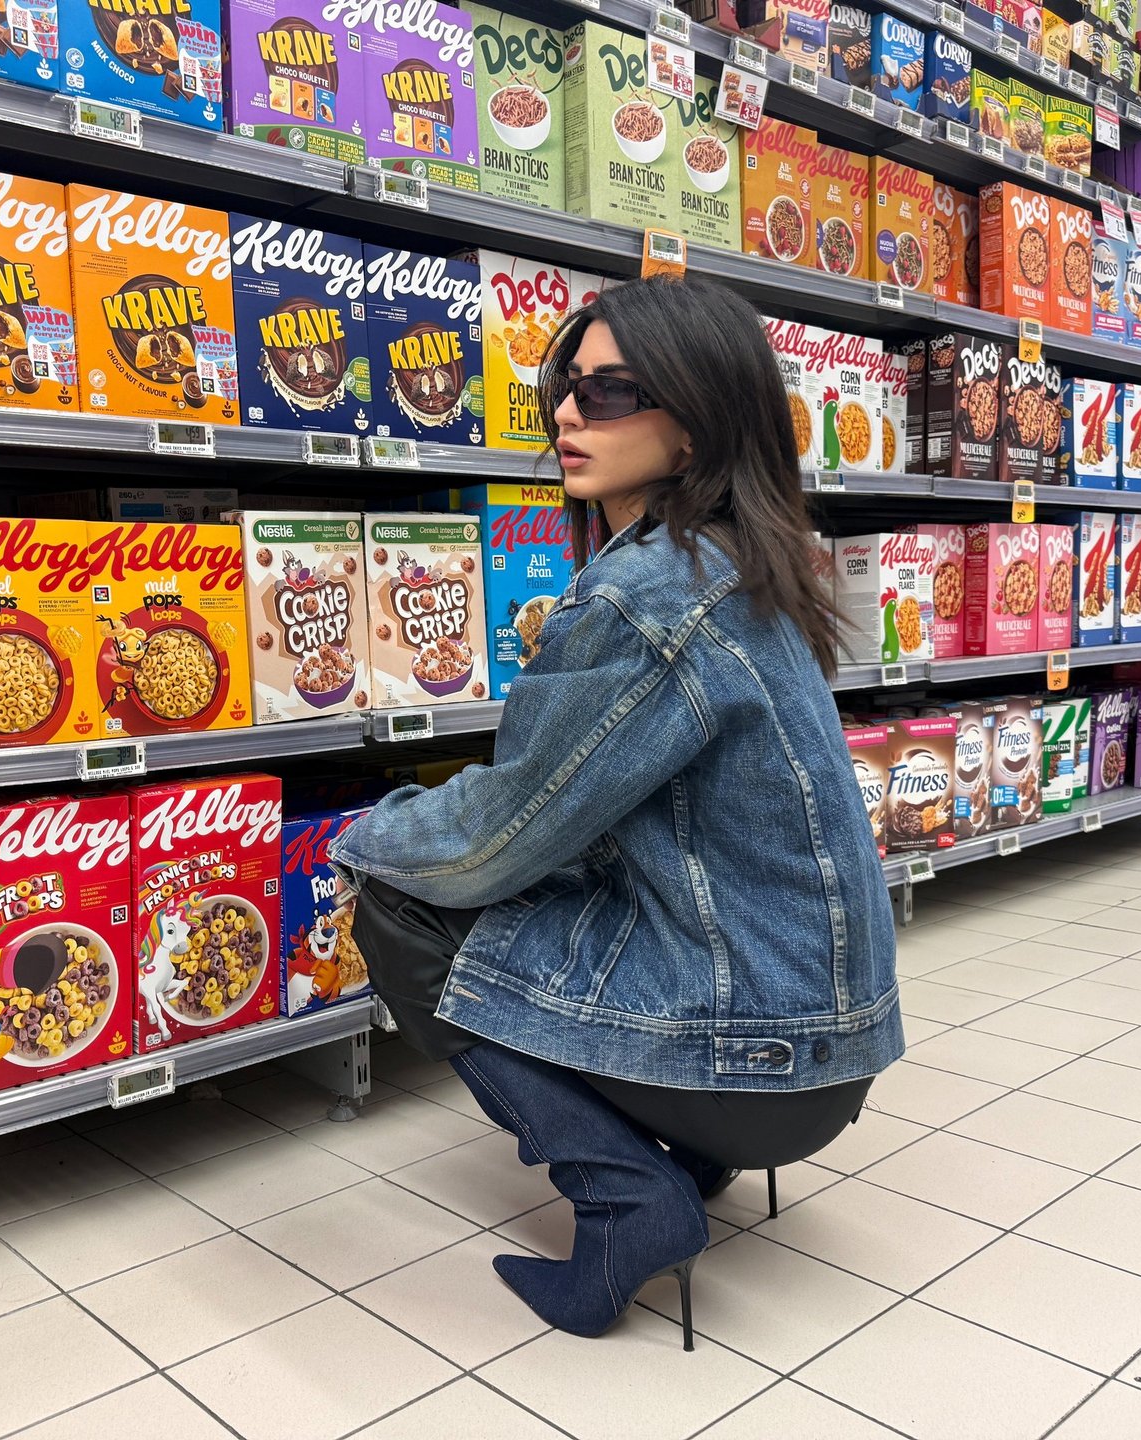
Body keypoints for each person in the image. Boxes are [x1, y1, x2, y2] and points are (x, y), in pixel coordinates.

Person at [329, 275, 901, 1348]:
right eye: (564, 388)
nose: (566, 417)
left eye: (612, 392)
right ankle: (690, 1156)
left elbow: (499, 832)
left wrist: (358, 838)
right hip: (826, 1040)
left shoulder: (647, 593)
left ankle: (624, 1198)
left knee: (399, 905)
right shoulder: (739, 557)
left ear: (696, 425)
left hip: (757, 1058)